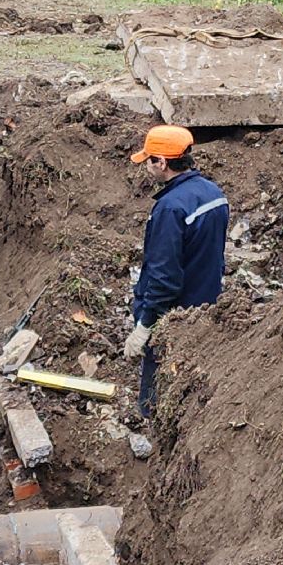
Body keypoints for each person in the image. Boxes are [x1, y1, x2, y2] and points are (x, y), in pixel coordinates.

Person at [123, 125, 229, 418]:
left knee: (156, 393)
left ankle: (153, 429)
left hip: (173, 314)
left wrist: (145, 324)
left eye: (149, 160)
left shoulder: (170, 209)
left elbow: (164, 276)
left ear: (163, 162)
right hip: (205, 305)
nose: (146, 166)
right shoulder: (214, 193)